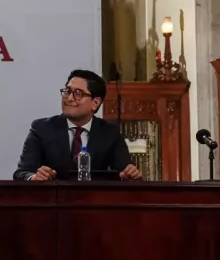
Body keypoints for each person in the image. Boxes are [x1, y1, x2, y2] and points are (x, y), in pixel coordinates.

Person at [13, 69, 142, 182]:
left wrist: (129, 175)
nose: (69, 98)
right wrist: (35, 177)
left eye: (78, 94)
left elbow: (124, 172)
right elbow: (21, 173)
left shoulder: (110, 132)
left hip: (94, 204)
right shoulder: (41, 129)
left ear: (95, 103)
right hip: (53, 204)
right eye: (67, 91)